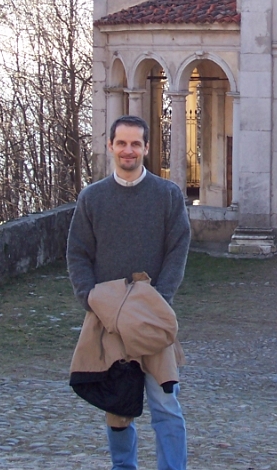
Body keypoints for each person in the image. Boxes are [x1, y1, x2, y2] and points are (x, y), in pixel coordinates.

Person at [67, 115, 191, 470]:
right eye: (121, 143)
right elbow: (77, 252)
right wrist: (89, 297)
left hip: (151, 318)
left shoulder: (167, 195)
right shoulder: (92, 198)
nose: (128, 150)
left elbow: (178, 249)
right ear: (110, 146)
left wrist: (160, 300)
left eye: (136, 143)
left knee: (165, 403)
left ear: (147, 148)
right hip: (108, 319)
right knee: (118, 407)